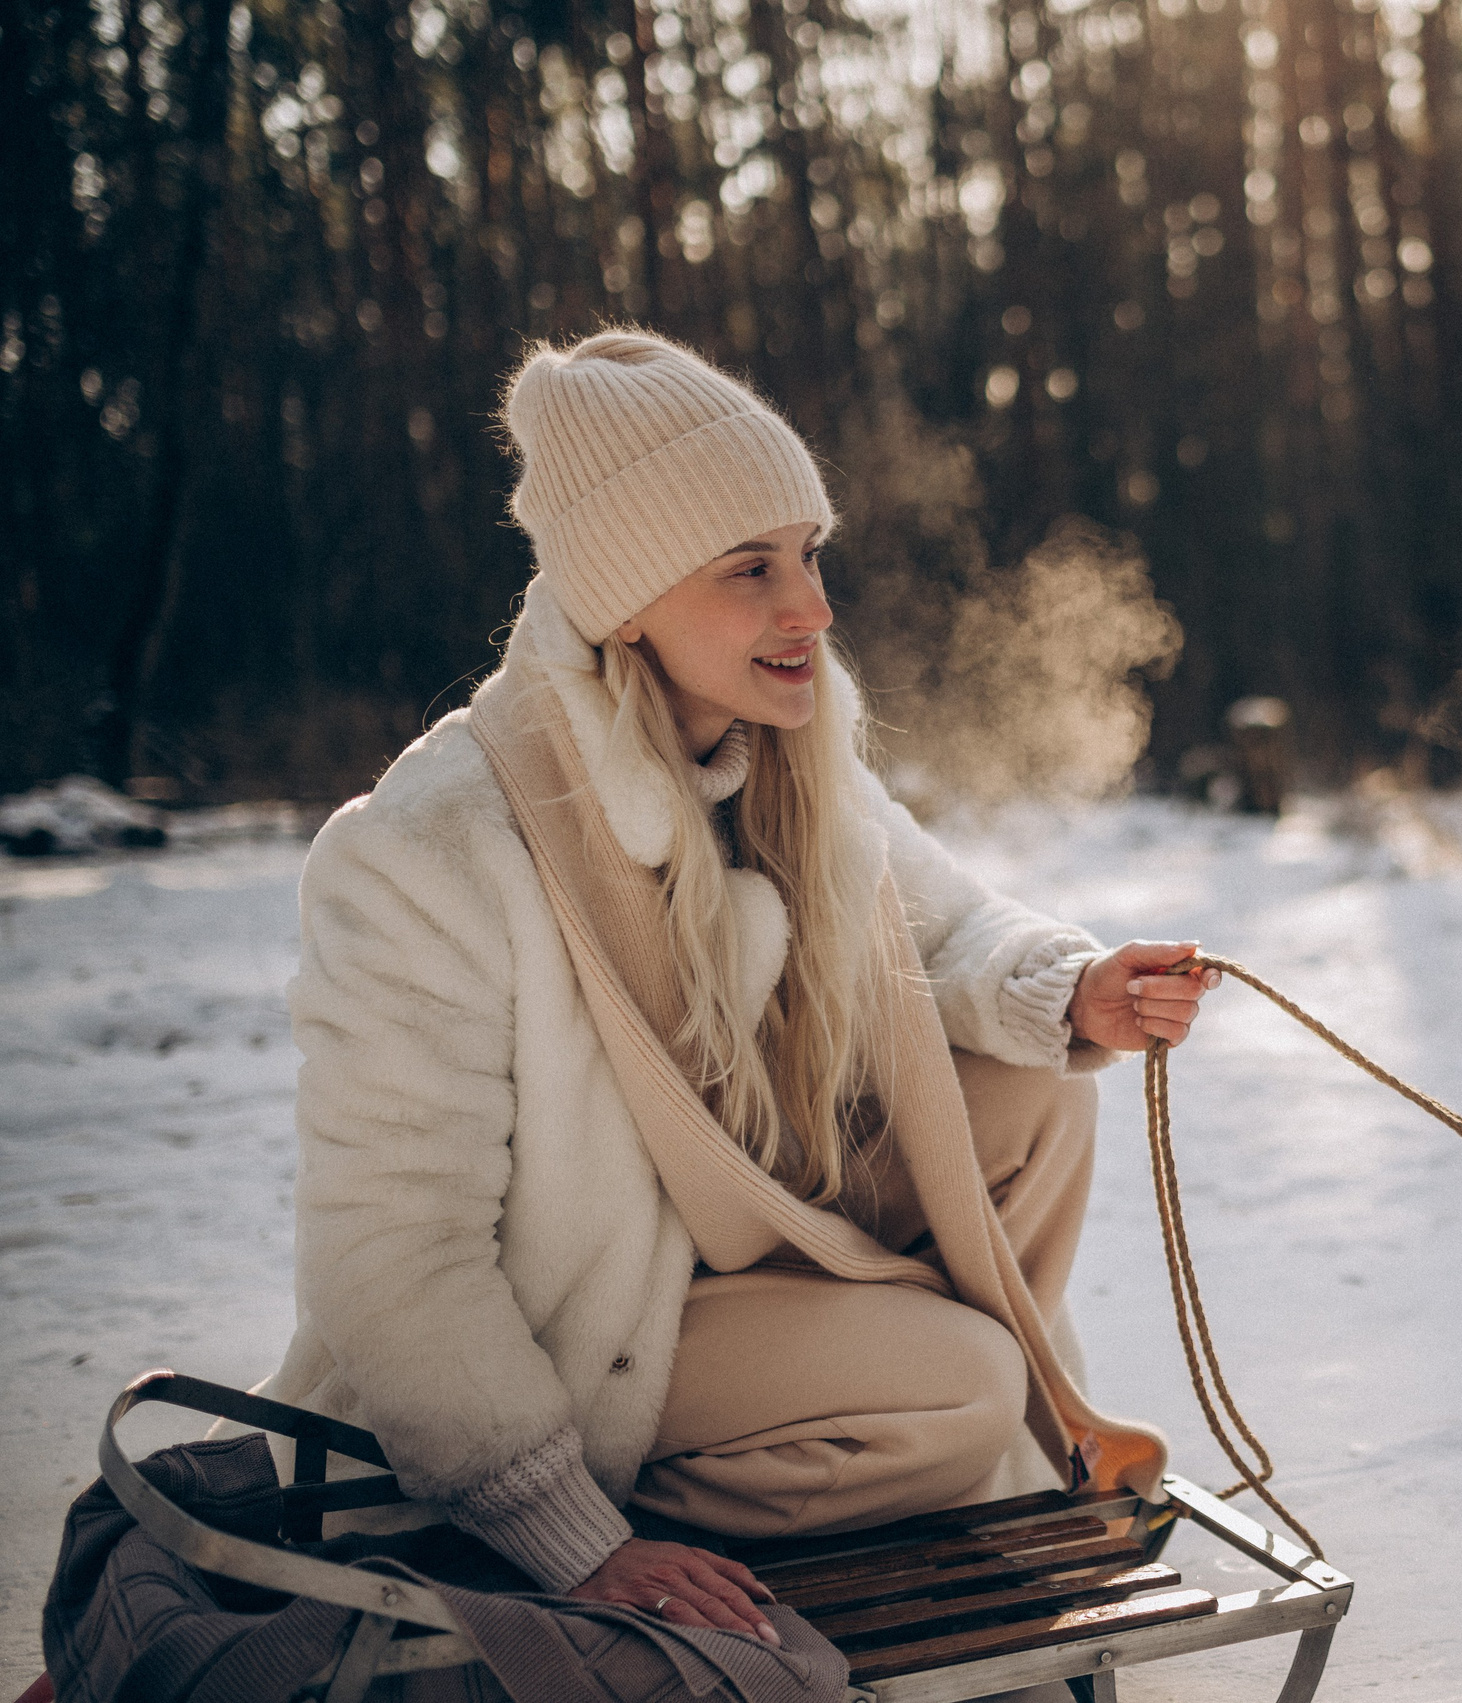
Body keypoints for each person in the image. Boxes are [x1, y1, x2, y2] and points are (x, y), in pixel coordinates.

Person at [255, 329, 1211, 1649]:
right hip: (582, 1336)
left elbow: (947, 932)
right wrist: (565, 1536)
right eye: (749, 570)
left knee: (1041, 1092)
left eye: (808, 554)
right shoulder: (428, 849)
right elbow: (391, 1256)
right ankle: (787, 1497)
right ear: (627, 597)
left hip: (748, 1231)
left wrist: (1076, 989)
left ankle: (945, 1451)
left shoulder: (790, 753)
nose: (810, 608)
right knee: (971, 1390)